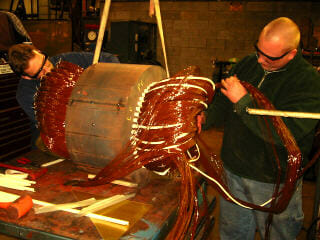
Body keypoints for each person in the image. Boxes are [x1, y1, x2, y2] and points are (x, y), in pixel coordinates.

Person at [198, 17, 320, 239]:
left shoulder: (308, 82)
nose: (261, 60)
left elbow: (286, 134)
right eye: (259, 51)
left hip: (273, 180)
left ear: (291, 54)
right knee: (233, 232)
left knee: (277, 234)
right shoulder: (248, 63)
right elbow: (225, 99)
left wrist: (244, 103)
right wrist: (206, 117)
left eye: (270, 57)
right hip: (233, 170)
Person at [8, 44, 120, 149]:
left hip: (91, 120)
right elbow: (54, 127)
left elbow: (109, 59)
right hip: (55, 136)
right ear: (27, 77)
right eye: (40, 71)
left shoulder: (65, 60)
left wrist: (103, 87)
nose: (49, 69)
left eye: (45, 62)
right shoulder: (26, 94)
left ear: (39, 52)